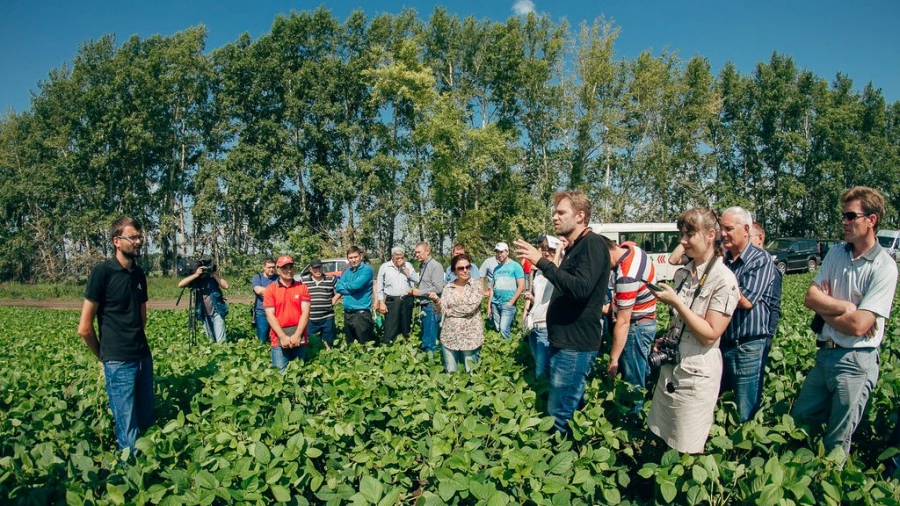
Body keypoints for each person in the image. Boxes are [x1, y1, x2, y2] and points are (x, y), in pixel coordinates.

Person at [793, 186, 898, 455]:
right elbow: (810, 297)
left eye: (851, 216)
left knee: (837, 441)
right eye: (843, 216)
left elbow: (859, 326)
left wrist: (825, 310)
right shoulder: (836, 253)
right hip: (825, 355)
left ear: (871, 220)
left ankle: (829, 489)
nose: (844, 222)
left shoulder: (884, 266)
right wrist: (846, 306)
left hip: (856, 361)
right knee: (799, 422)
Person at [513, 190, 611, 435]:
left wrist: (542, 262)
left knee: (559, 416)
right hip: (566, 342)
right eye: (555, 212)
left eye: (561, 212)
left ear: (580, 216)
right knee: (570, 406)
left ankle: (558, 465)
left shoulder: (593, 244)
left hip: (575, 345)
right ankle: (575, 457)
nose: (555, 217)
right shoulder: (577, 247)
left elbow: (580, 288)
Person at [648, 207, 739, 453]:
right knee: (664, 434)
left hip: (697, 368)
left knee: (687, 444)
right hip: (673, 364)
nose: (683, 241)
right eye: (681, 234)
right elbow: (680, 320)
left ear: (711, 235)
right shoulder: (684, 274)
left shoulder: (723, 279)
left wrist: (676, 302)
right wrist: (666, 338)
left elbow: (711, 333)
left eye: (689, 235)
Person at [77, 216, 153, 453]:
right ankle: (130, 481)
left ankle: (149, 478)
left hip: (143, 357)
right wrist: (104, 356)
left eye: (140, 237)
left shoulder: (139, 274)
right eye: (133, 237)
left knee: (147, 423)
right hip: (118, 362)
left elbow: (142, 318)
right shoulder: (103, 272)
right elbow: (84, 327)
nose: (138, 241)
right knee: (128, 433)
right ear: (117, 241)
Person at [719, 207, 779, 423]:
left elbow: (746, 301)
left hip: (748, 346)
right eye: (721, 229)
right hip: (723, 342)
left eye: (728, 229)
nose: (723, 234)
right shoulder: (725, 260)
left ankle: (745, 451)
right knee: (722, 404)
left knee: (745, 408)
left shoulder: (759, 259)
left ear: (746, 229)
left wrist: (718, 281)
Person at [603, 237, 658, 402]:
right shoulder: (633, 250)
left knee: (633, 383)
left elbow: (623, 322)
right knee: (641, 371)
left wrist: (613, 360)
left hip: (636, 328)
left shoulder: (627, 276)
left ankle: (634, 419)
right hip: (646, 320)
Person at [429, 254, 484, 373]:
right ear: (454, 271)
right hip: (449, 335)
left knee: (471, 372)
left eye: (467, 267)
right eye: (460, 268)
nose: (465, 270)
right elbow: (440, 311)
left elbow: (469, 308)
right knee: (450, 372)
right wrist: (437, 301)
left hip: (470, 336)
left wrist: (449, 310)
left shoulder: (477, 286)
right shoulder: (448, 288)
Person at [521, 236, 562, 380]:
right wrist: (530, 300)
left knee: (541, 369)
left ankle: (542, 399)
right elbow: (540, 298)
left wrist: (559, 251)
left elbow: (554, 276)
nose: (545, 253)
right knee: (539, 365)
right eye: (543, 250)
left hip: (545, 326)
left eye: (550, 250)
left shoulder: (560, 268)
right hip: (534, 324)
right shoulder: (538, 272)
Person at [263, 256, 311, 372]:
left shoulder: (302, 287)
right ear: (278, 270)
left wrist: (298, 334)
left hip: (299, 335)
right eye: (285, 268)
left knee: (299, 372)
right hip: (278, 337)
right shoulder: (270, 290)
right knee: (280, 372)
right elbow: (270, 315)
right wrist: (283, 337)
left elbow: (306, 312)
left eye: (291, 267)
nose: (289, 270)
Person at [178, 261, 230, 344]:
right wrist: (196, 275)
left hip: (217, 312)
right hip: (204, 314)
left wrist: (213, 274)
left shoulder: (212, 278)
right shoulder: (195, 280)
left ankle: (222, 352)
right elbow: (180, 284)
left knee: (221, 341)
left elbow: (226, 286)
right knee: (211, 340)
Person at [376, 246, 417, 344]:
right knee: (390, 328)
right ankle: (389, 348)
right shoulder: (385, 267)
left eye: (402, 258)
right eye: (397, 258)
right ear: (392, 256)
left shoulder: (408, 265)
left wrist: (404, 268)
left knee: (406, 328)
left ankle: (405, 348)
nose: (400, 260)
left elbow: (416, 279)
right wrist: (381, 302)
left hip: (406, 300)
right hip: (392, 301)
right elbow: (380, 286)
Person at [334, 245, 375, 345]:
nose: (353, 260)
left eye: (355, 257)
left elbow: (356, 286)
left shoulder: (367, 270)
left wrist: (349, 287)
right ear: (348, 259)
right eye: (350, 258)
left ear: (360, 256)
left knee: (364, 345)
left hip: (361, 315)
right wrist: (351, 289)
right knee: (350, 345)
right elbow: (338, 286)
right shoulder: (347, 272)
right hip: (348, 314)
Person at [410, 242, 444, 356]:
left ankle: (431, 365)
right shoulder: (422, 266)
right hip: (424, 305)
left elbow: (438, 288)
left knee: (430, 339)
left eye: (419, 252)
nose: (417, 255)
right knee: (426, 336)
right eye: (415, 253)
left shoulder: (435, 266)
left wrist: (419, 292)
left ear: (427, 251)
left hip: (432, 305)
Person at [486, 242, 525, 339]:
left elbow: (522, 286)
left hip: (508, 303)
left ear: (507, 252)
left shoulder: (515, 266)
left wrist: (511, 302)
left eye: (501, 252)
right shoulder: (496, 269)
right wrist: (489, 306)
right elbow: (492, 288)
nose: (499, 255)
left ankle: (508, 349)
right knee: (498, 328)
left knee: (504, 328)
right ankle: (500, 350)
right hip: (495, 303)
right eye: (497, 252)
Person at [300, 259, 341, 349]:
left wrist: (335, 297)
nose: (318, 270)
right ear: (310, 269)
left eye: (320, 268)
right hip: (310, 318)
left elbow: (341, 288)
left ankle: (328, 357)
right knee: (310, 343)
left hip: (327, 318)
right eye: (315, 269)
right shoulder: (303, 281)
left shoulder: (331, 279)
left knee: (329, 342)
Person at [251, 258, 278, 345]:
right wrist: (275, 292)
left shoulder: (278, 278)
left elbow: (284, 292)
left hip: (276, 312)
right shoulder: (257, 277)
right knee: (262, 339)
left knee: (277, 338)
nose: (271, 269)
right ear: (264, 267)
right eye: (269, 267)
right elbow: (258, 290)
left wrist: (266, 292)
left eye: (273, 267)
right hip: (262, 312)